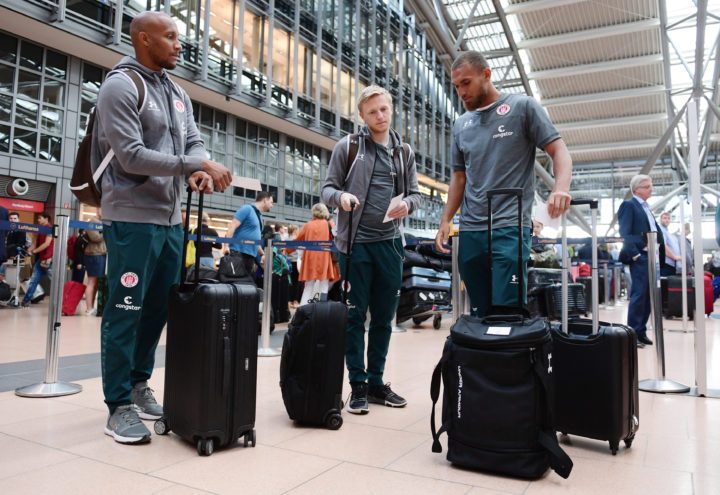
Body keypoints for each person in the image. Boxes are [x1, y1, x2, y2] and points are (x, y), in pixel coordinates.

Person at [94, 11, 231, 444]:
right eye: (170, 36)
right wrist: (194, 163)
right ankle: (117, 406)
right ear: (143, 39)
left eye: (179, 36)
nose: (178, 44)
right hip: (133, 218)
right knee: (125, 310)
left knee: (156, 310)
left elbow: (192, 141)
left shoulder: (176, 91)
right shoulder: (120, 86)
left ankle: (137, 384)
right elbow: (131, 155)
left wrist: (196, 165)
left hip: (171, 221)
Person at [434, 51, 572, 316]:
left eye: (466, 83)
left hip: (509, 227)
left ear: (486, 75)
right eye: (457, 86)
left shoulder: (523, 108)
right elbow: (459, 177)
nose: (461, 91)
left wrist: (560, 188)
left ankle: (509, 355)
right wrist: (446, 220)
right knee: (479, 311)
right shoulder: (461, 124)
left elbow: (559, 151)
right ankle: (482, 356)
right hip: (471, 231)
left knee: (508, 310)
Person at [322, 85, 421, 414]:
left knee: (383, 318)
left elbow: (416, 195)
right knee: (354, 316)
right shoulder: (348, 147)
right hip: (355, 245)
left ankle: (377, 382)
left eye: (384, 109)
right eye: (373, 111)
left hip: (391, 245)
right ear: (362, 116)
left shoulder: (403, 152)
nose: (380, 116)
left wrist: (407, 204)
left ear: (391, 109)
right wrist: (341, 198)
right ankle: (358, 384)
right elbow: (327, 189)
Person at [617, 174, 665, 347]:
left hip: (652, 257)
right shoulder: (629, 205)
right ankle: (633, 334)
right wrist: (635, 255)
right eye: (647, 186)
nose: (651, 189)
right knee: (639, 295)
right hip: (641, 257)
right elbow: (625, 232)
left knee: (649, 296)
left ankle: (641, 331)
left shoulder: (646, 208)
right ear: (637, 189)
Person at [287, 203, 340, 305]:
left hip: (310, 260)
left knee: (308, 287)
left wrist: (286, 250)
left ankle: (303, 312)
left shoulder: (308, 225)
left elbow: (298, 240)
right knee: (324, 286)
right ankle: (322, 311)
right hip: (324, 259)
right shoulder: (330, 224)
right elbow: (337, 239)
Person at [223, 191, 274, 278]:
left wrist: (262, 254)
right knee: (235, 282)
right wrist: (226, 246)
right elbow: (232, 226)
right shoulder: (247, 209)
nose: (272, 205)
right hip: (238, 253)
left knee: (244, 285)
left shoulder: (260, 217)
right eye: (271, 202)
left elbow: (255, 241)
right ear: (265, 200)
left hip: (250, 256)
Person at [21, 212, 54, 307]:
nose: (38, 220)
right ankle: (25, 301)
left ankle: (63, 301)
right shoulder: (40, 229)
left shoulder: (49, 229)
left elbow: (46, 244)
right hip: (41, 261)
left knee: (55, 282)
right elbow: (36, 244)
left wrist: (34, 251)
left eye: (40, 218)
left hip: (49, 261)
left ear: (46, 218)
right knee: (33, 281)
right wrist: (27, 251)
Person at [84, 222, 107, 316]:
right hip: (94, 255)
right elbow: (95, 238)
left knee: (97, 283)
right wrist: (107, 231)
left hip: (100, 254)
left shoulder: (103, 221)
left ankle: (92, 307)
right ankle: (89, 308)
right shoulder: (92, 222)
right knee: (92, 282)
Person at [658, 212, 682, 277]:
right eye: (665, 218)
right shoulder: (661, 230)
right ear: (660, 220)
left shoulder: (667, 232)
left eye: (668, 218)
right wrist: (674, 257)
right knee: (665, 285)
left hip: (671, 264)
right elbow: (663, 246)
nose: (667, 220)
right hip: (666, 264)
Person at [286, 224, 302, 308]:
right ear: (295, 230)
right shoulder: (296, 240)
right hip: (295, 262)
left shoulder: (287, 239)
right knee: (296, 283)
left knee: (289, 282)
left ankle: (288, 301)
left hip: (288, 263)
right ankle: (295, 301)